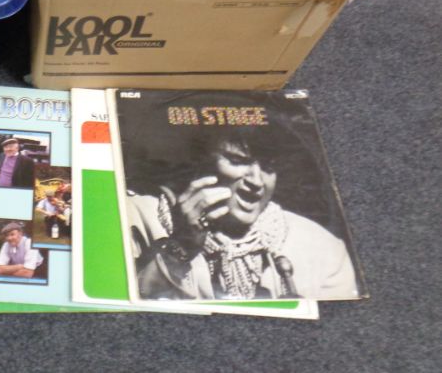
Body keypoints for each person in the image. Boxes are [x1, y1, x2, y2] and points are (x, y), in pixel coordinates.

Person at [126, 123, 360, 301]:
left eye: (268, 167)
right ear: (199, 162)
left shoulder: (324, 248)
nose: (257, 181)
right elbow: (126, 306)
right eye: (237, 161)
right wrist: (180, 247)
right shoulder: (136, 216)